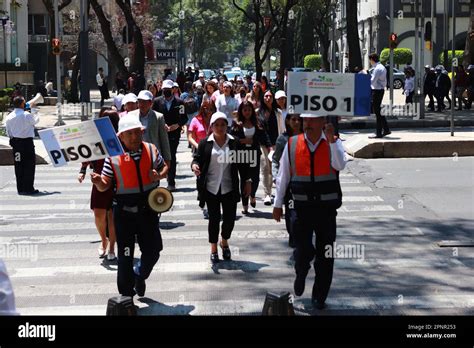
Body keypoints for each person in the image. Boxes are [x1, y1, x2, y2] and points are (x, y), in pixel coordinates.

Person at [272, 113, 346, 310]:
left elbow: (340, 165)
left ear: (323, 122)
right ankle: (301, 270)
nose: (307, 124)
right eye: (305, 120)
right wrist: (278, 204)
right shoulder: (293, 143)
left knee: (326, 254)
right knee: (302, 250)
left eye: (312, 120)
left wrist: (331, 142)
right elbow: (283, 175)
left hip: (326, 209)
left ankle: (319, 296)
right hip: (301, 209)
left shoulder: (334, 143)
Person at [91, 115, 169, 298]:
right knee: (125, 257)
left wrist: (158, 175)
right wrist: (98, 182)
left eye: (137, 132)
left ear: (142, 132)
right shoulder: (113, 158)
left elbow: (164, 168)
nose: (134, 137)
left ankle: (139, 275)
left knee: (153, 251)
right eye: (129, 134)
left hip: (148, 211)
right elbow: (105, 184)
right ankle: (126, 298)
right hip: (124, 215)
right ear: (121, 137)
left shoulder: (151, 149)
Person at [191, 112, 251, 264]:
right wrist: (195, 165)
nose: (220, 127)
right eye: (216, 125)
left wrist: (247, 181)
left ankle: (224, 241)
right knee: (214, 219)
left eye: (223, 124)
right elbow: (197, 158)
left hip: (229, 187)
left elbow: (244, 165)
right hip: (211, 187)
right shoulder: (205, 143)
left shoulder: (234, 142)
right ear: (211, 127)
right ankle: (213, 248)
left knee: (230, 219)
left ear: (227, 126)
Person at [78, 109, 120, 261]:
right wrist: (82, 170)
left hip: (117, 179)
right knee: (99, 213)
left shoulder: (121, 138)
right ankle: (103, 239)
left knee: (112, 214)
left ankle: (112, 247)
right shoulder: (94, 139)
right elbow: (86, 155)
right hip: (98, 178)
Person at [230, 101, 271, 215]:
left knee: (255, 179)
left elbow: (264, 136)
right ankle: (245, 205)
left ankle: (252, 194)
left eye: (249, 110)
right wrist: (242, 141)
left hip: (254, 154)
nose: (247, 112)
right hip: (241, 155)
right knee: (244, 179)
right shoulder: (236, 123)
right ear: (241, 111)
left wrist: (269, 147)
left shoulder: (257, 122)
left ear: (252, 111)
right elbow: (231, 138)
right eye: (244, 110)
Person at [272, 113, 303, 248]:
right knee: (291, 215)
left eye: (299, 120)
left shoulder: (306, 137)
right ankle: (294, 236)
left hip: (305, 183)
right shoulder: (282, 139)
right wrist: (275, 176)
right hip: (289, 184)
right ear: (288, 121)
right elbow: (275, 159)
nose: (296, 122)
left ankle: (300, 239)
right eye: (293, 119)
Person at [152, 80, 188, 192]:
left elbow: (184, 118)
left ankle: (171, 181)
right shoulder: (157, 102)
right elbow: (153, 116)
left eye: (168, 90)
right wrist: (161, 125)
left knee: (171, 155)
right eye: (164, 90)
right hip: (160, 133)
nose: (166, 92)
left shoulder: (180, 102)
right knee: (157, 157)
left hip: (174, 134)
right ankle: (156, 181)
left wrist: (177, 125)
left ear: (173, 90)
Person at [128, 90, 172, 171]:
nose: (142, 104)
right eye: (140, 102)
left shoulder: (158, 117)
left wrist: (167, 159)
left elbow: (164, 139)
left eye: (145, 102)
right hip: (135, 154)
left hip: (153, 155)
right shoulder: (131, 115)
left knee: (153, 179)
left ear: (150, 103)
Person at [5, 96, 41, 195]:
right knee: (29, 165)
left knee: (18, 165)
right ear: (21, 104)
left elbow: (8, 132)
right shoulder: (26, 115)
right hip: (27, 143)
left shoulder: (9, 116)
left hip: (16, 143)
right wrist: (34, 110)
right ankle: (28, 188)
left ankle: (20, 188)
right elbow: (36, 121)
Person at [258, 90, 283, 206]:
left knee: (272, 169)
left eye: (270, 96)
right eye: (266, 96)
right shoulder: (258, 113)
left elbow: (281, 129)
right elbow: (260, 131)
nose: (268, 98)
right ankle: (267, 194)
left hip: (275, 143)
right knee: (265, 168)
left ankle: (271, 191)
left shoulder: (278, 112)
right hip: (262, 144)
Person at [369, 53, 390, 139]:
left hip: (377, 91)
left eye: (370, 60)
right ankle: (386, 129)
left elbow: (372, 81)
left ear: (372, 60)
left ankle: (379, 133)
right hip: (380, 90)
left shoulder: (377, 69)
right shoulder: (382, 67)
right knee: (378, 111)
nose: (370, 62)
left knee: (377, 112)